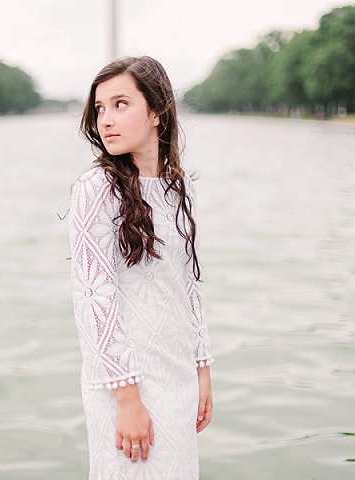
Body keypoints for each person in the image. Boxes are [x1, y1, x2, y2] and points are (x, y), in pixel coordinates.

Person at [69, 56, 214, 479]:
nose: (105, 120)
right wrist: (128, 398)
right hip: (126, 383)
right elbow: (95, 299)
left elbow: (189, 288)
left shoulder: (176, 187)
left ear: (156, 111)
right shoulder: (95, 189)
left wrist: (202, 370)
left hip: (178, 374)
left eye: (120, 104)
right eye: (99, 108)